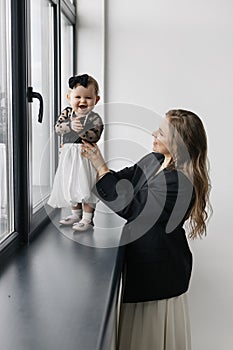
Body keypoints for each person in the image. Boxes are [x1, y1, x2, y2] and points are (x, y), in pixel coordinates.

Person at [81, 109, 211, 350]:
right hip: (143, 268)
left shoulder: (180, 182)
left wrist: (101, 167)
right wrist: (94, 162)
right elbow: (121, 181)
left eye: (161, 132)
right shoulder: (154, 160)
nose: (153, 133)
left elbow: (131, 207)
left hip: (160, 276)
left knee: (149, 338)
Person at [48, 74, 103, 231]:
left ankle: (87, 218)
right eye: (77, 97)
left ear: (96, 100)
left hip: (86, 156)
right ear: (69, 97)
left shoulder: (94, 118)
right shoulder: (67, 113)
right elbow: (58, 128)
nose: (82, 101)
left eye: (88, 97)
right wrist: (70, 125)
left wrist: (83, 131)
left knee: (87, 185)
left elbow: (96, 135)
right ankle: (75, 214)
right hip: (68, 156)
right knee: (70, 183)